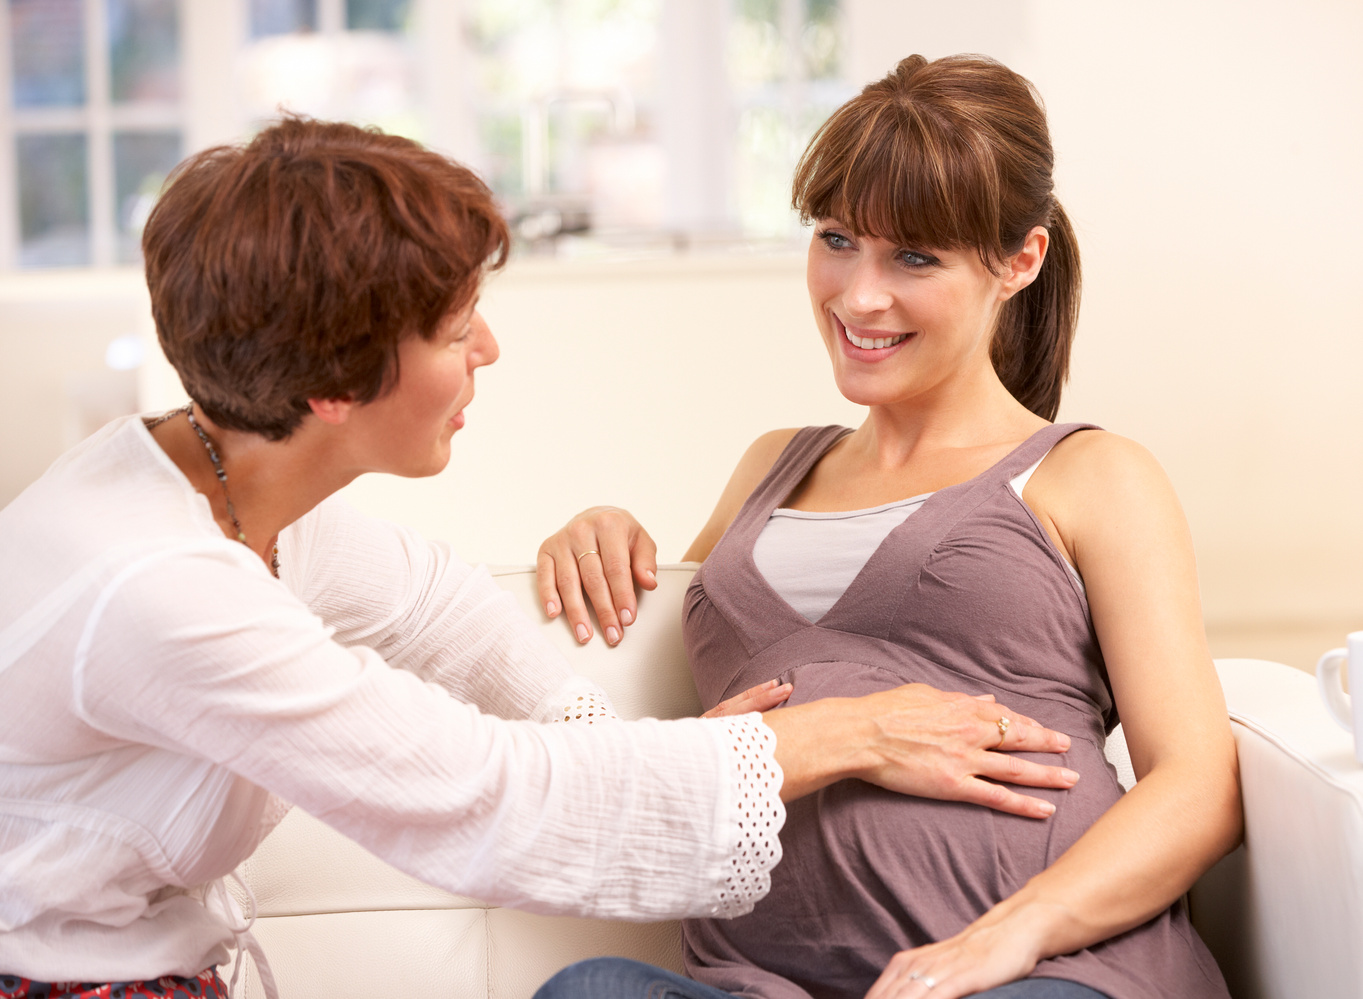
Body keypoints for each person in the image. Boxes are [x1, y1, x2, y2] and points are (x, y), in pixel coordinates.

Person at [0, 116, 1082, 999]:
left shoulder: (223, 482)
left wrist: (609, 743)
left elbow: (436, 611)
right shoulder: (158, 591)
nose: (488, 347)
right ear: (333, 388)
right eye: (455, 325)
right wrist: (838, 734)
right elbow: (482, 799)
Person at [534, 55, 1241, 999]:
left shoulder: (1089, 475)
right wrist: (602, 526)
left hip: (1045, 976)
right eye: (835, 240)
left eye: (914, 257)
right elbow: (671, 662)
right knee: (592, 991)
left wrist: (1008, 936)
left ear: (1018, 261)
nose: (858, 296)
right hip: (764, 983)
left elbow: (1196, 782)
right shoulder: (771, 464)